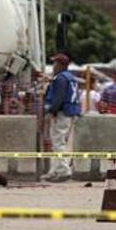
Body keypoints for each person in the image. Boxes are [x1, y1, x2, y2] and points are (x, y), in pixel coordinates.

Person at [42, 53, 81, 182]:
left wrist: (51, 111)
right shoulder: (70, 78)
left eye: (55, 63)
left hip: (62, 113)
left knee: (58, 142)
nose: (53, 66)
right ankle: (55, 171)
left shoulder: (60, 78)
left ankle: (64, 171)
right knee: (60, 143)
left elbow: (59, 98)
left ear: (61, 65)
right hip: (70, 112)